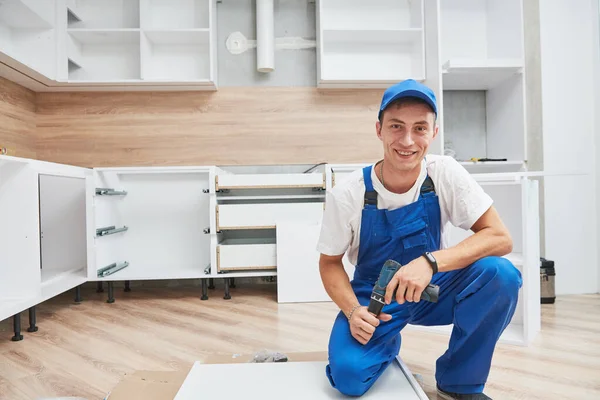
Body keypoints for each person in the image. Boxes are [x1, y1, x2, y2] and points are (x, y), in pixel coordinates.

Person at [316, 79, 522, 399]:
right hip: (376, 297)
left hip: (432, 288)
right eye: (396, 126)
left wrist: (430, 261)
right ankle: (385, 341)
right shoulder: (348, 193)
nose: (408, 140)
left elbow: (499, 237)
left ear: (434, 133)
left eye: (420, 128)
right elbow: (329, 263)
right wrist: (353, 311)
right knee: (349, 378)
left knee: (501, 275)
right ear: (379, 129)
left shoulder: (444, 173)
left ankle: (459, 380)